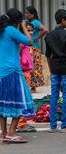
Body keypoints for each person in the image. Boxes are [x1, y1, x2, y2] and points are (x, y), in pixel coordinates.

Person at [0, 8, 35, 143]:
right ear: (17, 21)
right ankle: (12, 132)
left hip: (1, 72)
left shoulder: (2, 30)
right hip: (12, 71)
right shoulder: (11, 30)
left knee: (2, 105)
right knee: (20, 101)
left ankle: (3, 134)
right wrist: (23, 26)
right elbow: (29, 41)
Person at [45, 9, 66, 132]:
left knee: (54, 96)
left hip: (55, 68)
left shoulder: (49, 35)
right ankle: (65, 124)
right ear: (63, 21)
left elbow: (47, 55)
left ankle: (52, 126)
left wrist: (51, 70)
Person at [17, 22, 37, 133]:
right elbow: (18, 53)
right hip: (23, 72)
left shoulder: (27, 43)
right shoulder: (22, 41)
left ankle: (21, 122)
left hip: (27, 72)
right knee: (24, 98)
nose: (30, 32)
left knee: (24, 98)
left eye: (31, 30)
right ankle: (21, 124)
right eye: (27, 30)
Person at [24, 6, 48, 93]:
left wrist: (37, 38)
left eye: (27, 13)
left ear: (32, 14)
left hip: (33, 48)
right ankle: (28, 85)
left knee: (34, 67)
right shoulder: (27, 23)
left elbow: (45, 30)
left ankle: (33, 87)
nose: (25, 15)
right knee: (27, 66)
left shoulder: (36, 23)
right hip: (26, 47)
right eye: (25, 13)